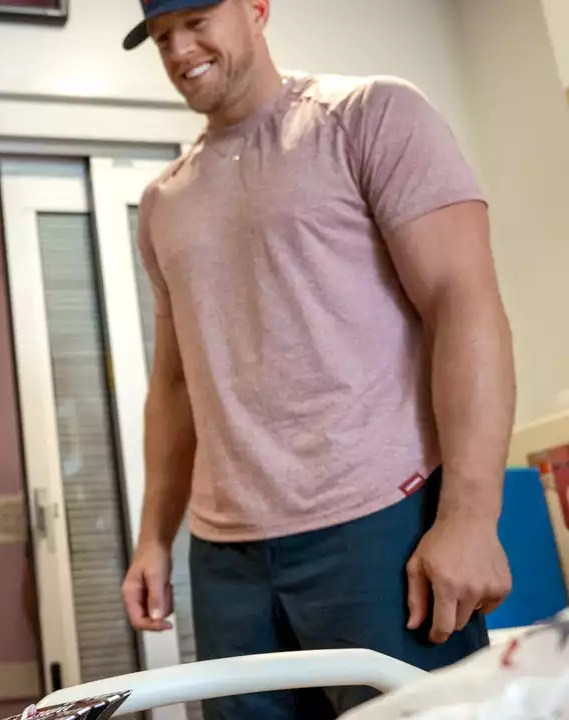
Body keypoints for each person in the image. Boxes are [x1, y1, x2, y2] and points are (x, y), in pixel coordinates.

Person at [117, 0, 516, 717]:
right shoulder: (163, 201)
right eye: (162, 36)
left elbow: (464, 301)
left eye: (198, 20)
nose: (180, 50)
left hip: (377, 531)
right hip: (226, 558)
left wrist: (472, 515)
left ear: (258, 9)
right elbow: (175, 383)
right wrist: (154, 538)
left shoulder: (369, 115)